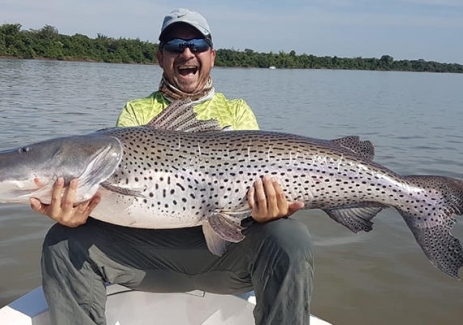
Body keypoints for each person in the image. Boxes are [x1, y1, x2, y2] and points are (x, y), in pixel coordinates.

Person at [30, 8, 315, 325]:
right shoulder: (136, 114)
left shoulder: (237, 112)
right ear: (161, 56)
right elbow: (113, 199)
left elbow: (264, 189)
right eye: (176, 45)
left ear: (212, 55)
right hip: (147, 258)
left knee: (290, 237)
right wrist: (76, 215)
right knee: (61, 241)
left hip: (228, 257)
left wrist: (268, 210)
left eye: (197, 44)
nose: (187, 52)